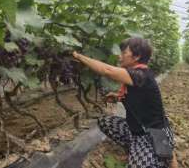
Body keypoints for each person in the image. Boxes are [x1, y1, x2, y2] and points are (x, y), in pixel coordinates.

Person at [72, 37, 178, 168]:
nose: (120, 55)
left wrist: (79, 56)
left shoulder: (141, 75)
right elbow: (138, 98)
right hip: (135, 130)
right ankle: (139, 149)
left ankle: (164, 153)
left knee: (141, 164)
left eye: (124, 53)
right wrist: (117, 97)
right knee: (105, 122)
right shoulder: (137, 76)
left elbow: (107, 71)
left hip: (153, 134)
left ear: (136, 56)